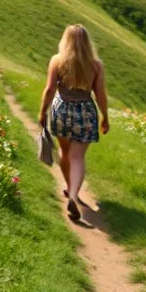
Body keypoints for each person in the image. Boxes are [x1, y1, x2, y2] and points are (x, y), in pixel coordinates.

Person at [39, 23, 110, 226]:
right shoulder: (96, 65)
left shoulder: (57, 61)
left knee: (64, 152)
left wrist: (42, 112)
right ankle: (73, 195)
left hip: (62, 110)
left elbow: (50, 89)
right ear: (87, 43)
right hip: (85, 111)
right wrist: (105, 116)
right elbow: (101, 94)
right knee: (77, 156)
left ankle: (69, 187)